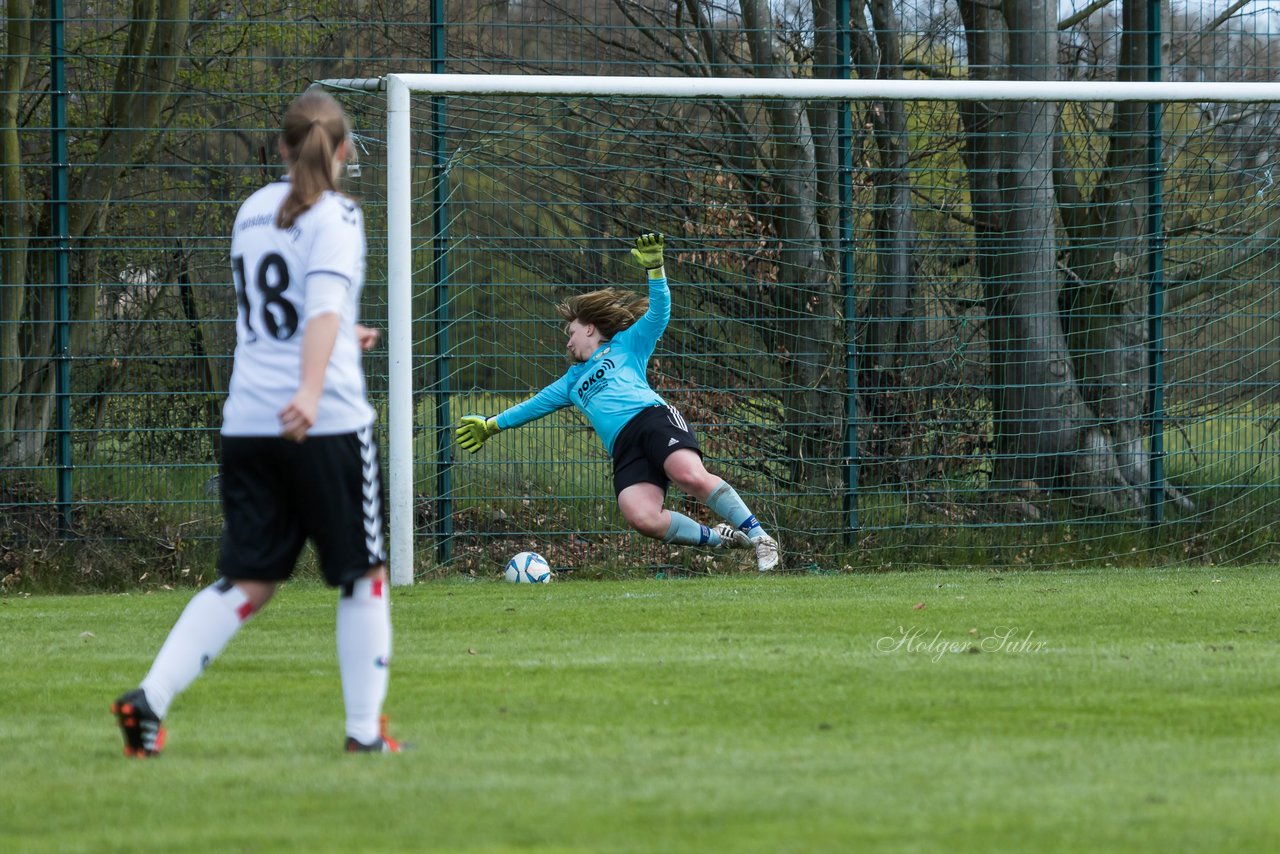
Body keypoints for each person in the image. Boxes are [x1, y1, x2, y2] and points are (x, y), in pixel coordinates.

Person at [112, 90, 398, 756]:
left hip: (247, 422)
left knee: (249, 579)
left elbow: (289, 312)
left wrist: (334, 339)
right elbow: (320, 308)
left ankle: (148, 700)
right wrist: (309, 385)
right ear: (346, 152)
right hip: (322, 423)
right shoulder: (340, 215)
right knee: (365, 575)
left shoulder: (250, 212)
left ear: (281, 149)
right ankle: (363, 734)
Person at [456, 233, 780, 572]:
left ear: (591, 329)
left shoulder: (627, 345)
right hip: (624, 447)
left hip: (653, 420)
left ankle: (759, 537)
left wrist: (655, 269)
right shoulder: (570, 382)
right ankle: (719, 538)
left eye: (571, 333)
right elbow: (533, 405)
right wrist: (492, 425)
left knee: (690, 476)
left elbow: (658, 313)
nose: (567, 342)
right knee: (641, 516)